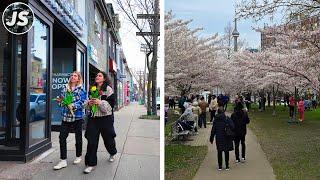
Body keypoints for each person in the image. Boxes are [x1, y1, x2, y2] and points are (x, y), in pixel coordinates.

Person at [83, 71, 117, 174]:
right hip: (93, 118)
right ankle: (91, 164)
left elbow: (111, 105)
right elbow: (85, 103)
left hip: (106, 119)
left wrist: (100, 102)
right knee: (92, 141)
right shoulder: (92, 89)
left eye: (99, 75)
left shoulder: (108, 89)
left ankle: (112, 152)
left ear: (104, 78)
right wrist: (88, 103)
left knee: (108, 139)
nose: (97, 77)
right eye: (96, 75)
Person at [53, 71, 87, 170]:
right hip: (65, 117)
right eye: (71, 75)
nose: (72, 77)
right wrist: (61, 102)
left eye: (75, 75)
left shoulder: (81, 90)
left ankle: (78, 156)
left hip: (77, 117)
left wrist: (73, 105)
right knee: (62, 137)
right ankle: (63, 160)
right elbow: (61, 101)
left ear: (78, 78)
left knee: (78, 137)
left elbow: (83, 102)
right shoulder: (64, 88)